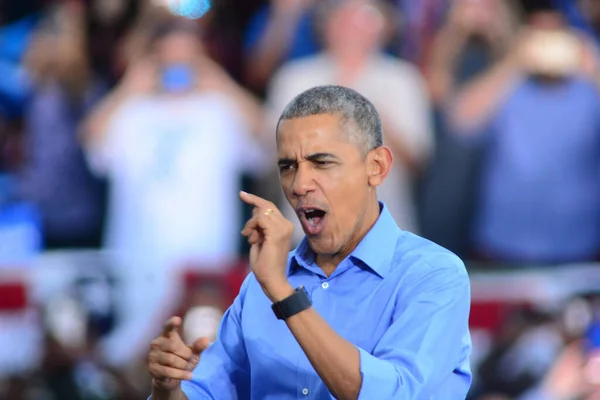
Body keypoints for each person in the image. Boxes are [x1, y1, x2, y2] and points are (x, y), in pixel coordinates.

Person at [147, 85, 472, 399]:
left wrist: (283, 295)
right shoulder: (260, 286)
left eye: (322, 163)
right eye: (288, 167)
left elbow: (395, 394)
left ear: (376, 167)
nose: (300, 184)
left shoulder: (433, 275)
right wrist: (168, 388)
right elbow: (207, 392)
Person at [266, 0, 434, 246]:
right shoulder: (294, 78)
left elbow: (418, 160)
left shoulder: (402, 79)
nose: (352, 25)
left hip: (383, 234)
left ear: (385, 26)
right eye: (342, 15)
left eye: (364, 16)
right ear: (325, 25)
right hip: (308, 235)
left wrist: (369, 114)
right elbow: (273, 154)